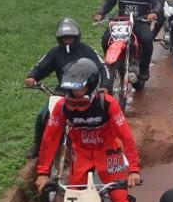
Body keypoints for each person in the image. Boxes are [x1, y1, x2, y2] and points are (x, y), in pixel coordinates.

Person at [35, 60, 141, 202]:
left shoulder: (107, 104)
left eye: (80, 89)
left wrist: (134, 169)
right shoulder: (62, 107)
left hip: (108, 154)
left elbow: (126, 136)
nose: (75, 94)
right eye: (72, 89)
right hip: (81, 154)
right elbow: (50, 138)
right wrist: (43, 172)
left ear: (91, 86)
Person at [24, 17, 110, 157]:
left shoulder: (87, 50)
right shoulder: (55, 52)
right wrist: (32, 76)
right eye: (65, 38)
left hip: (85, 92)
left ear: (77, 37)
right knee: (42, 115)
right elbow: (42, 66)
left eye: (70, 38)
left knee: (99, 115)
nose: (68, 41)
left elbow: (102, 67)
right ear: (60, 39)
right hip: (62, 92)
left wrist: (105, 85)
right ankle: (38, 145)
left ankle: (103, 142)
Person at [95, 0, 158, 90]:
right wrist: (101, 13)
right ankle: (111, 66)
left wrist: (154, 13)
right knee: (106, 38)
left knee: (147, 39)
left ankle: (144, 69)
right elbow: (109, 1)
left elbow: (157, 2)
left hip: (140, 21)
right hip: (121, 21)